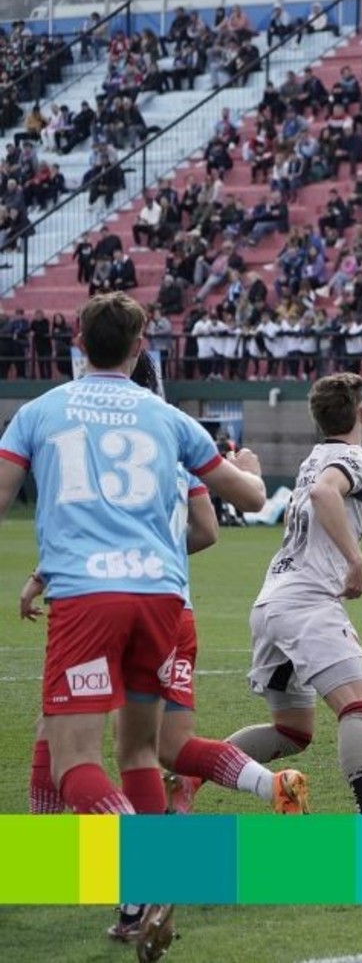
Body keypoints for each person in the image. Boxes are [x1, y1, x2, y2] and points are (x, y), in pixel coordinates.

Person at [0, 294, 267, 962]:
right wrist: (253, 471)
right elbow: (249, 499)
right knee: (141, 753)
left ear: (78, 343)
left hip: (88, 600)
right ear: (141, 344)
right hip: (161, 600)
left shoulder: (39, 411)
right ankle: (140, 896)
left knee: (75, 762)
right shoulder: (169, 417)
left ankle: (147, 870)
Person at [232, 373, 362, 817]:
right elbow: (325, 493)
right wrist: (355, 560)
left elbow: (319, 506)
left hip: (272, 602)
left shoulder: (315, 457)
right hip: (307, 603)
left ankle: (190, 774)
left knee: (292, 732)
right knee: (358, 707)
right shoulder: (353, 455)